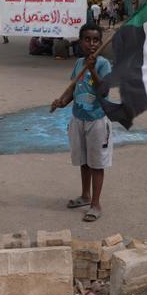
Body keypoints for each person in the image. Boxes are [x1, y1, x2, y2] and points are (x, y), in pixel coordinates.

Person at [51, 23, 113, 222]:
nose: (92, 44)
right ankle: (85, 195)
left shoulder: (103, 64)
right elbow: (74, 89)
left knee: (97, 163)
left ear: (101, 43)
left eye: (96, 40)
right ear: (80, 42)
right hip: (78, 119)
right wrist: (62, 102)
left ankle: (96, 204)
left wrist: (93, 69)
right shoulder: (79, 63)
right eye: (87, 39)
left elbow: (103, 90)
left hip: (97, 121)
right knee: (84, 161)